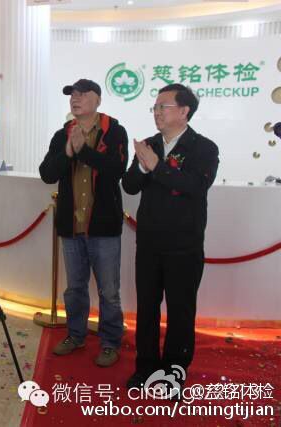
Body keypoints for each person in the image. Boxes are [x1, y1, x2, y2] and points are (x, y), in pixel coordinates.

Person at [122, 84, 219, 390]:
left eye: (163, 106)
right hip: (149, 244)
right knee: (147, 309)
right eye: (155, 107)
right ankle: (145, 368)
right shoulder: (149, 144)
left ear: (184, 111)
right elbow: (129, 186)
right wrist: (142, 166)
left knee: (180, 313)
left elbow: (195, 186)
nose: (157, 112)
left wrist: (156, 166)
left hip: (184, 246)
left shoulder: (204, 148)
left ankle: (173, 374)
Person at [39, 79, 128, 367]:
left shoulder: (114, 131)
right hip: (71, 226)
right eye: (72, 95)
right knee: (75, 288)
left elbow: (117, 170)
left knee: (109, 291)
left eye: (82, 94)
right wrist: (68, 151)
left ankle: (110, 343)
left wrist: (84, 151)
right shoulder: (62, 134)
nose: (75, 99)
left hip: (104, 227)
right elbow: (47, 174)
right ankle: (75, 335)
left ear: (97, 100)